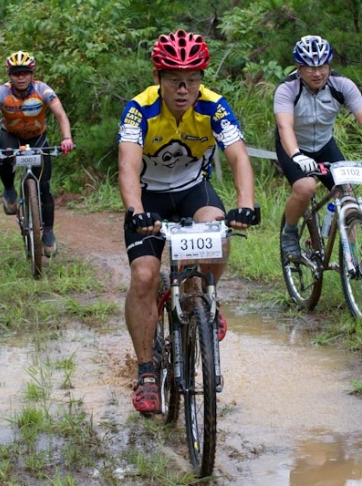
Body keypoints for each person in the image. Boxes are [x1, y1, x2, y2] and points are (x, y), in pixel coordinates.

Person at [118, 29, 257, 413]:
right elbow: (128, 165)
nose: (184, 88)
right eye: (175, 80)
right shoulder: (138, 108)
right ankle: (147, 371)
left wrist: (245, 204)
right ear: (158, 78)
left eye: (193, 79)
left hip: (194, 190)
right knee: (145, 276)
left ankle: (205, 297)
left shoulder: (215, 106)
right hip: (149, 198)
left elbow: (239, 157)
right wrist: (135, 209)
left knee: (218, 227)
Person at [275, 35, 362, 260]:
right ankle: (289, 233)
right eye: (310, 68)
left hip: (323, 144)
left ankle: (349, 262)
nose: (317, 73)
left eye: (322, 66)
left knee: (347, 195)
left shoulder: (342, 85)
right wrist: (297, 155)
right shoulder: (287, 89)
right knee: (305, 188)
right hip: (292, 145)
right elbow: (284, 126)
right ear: (299, 68)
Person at [0, 50, 75, 257]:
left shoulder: (43, 90)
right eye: (16, 73)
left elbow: (61, 115)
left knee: (44, 187)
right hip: (11, 136)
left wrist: (67, 138)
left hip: (37, 137)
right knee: (4, 160)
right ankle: (9, 190)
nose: (20, 77)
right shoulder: (1, 93)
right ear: (9, 75)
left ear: (32, 73)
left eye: (25, 72)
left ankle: (48, 231)